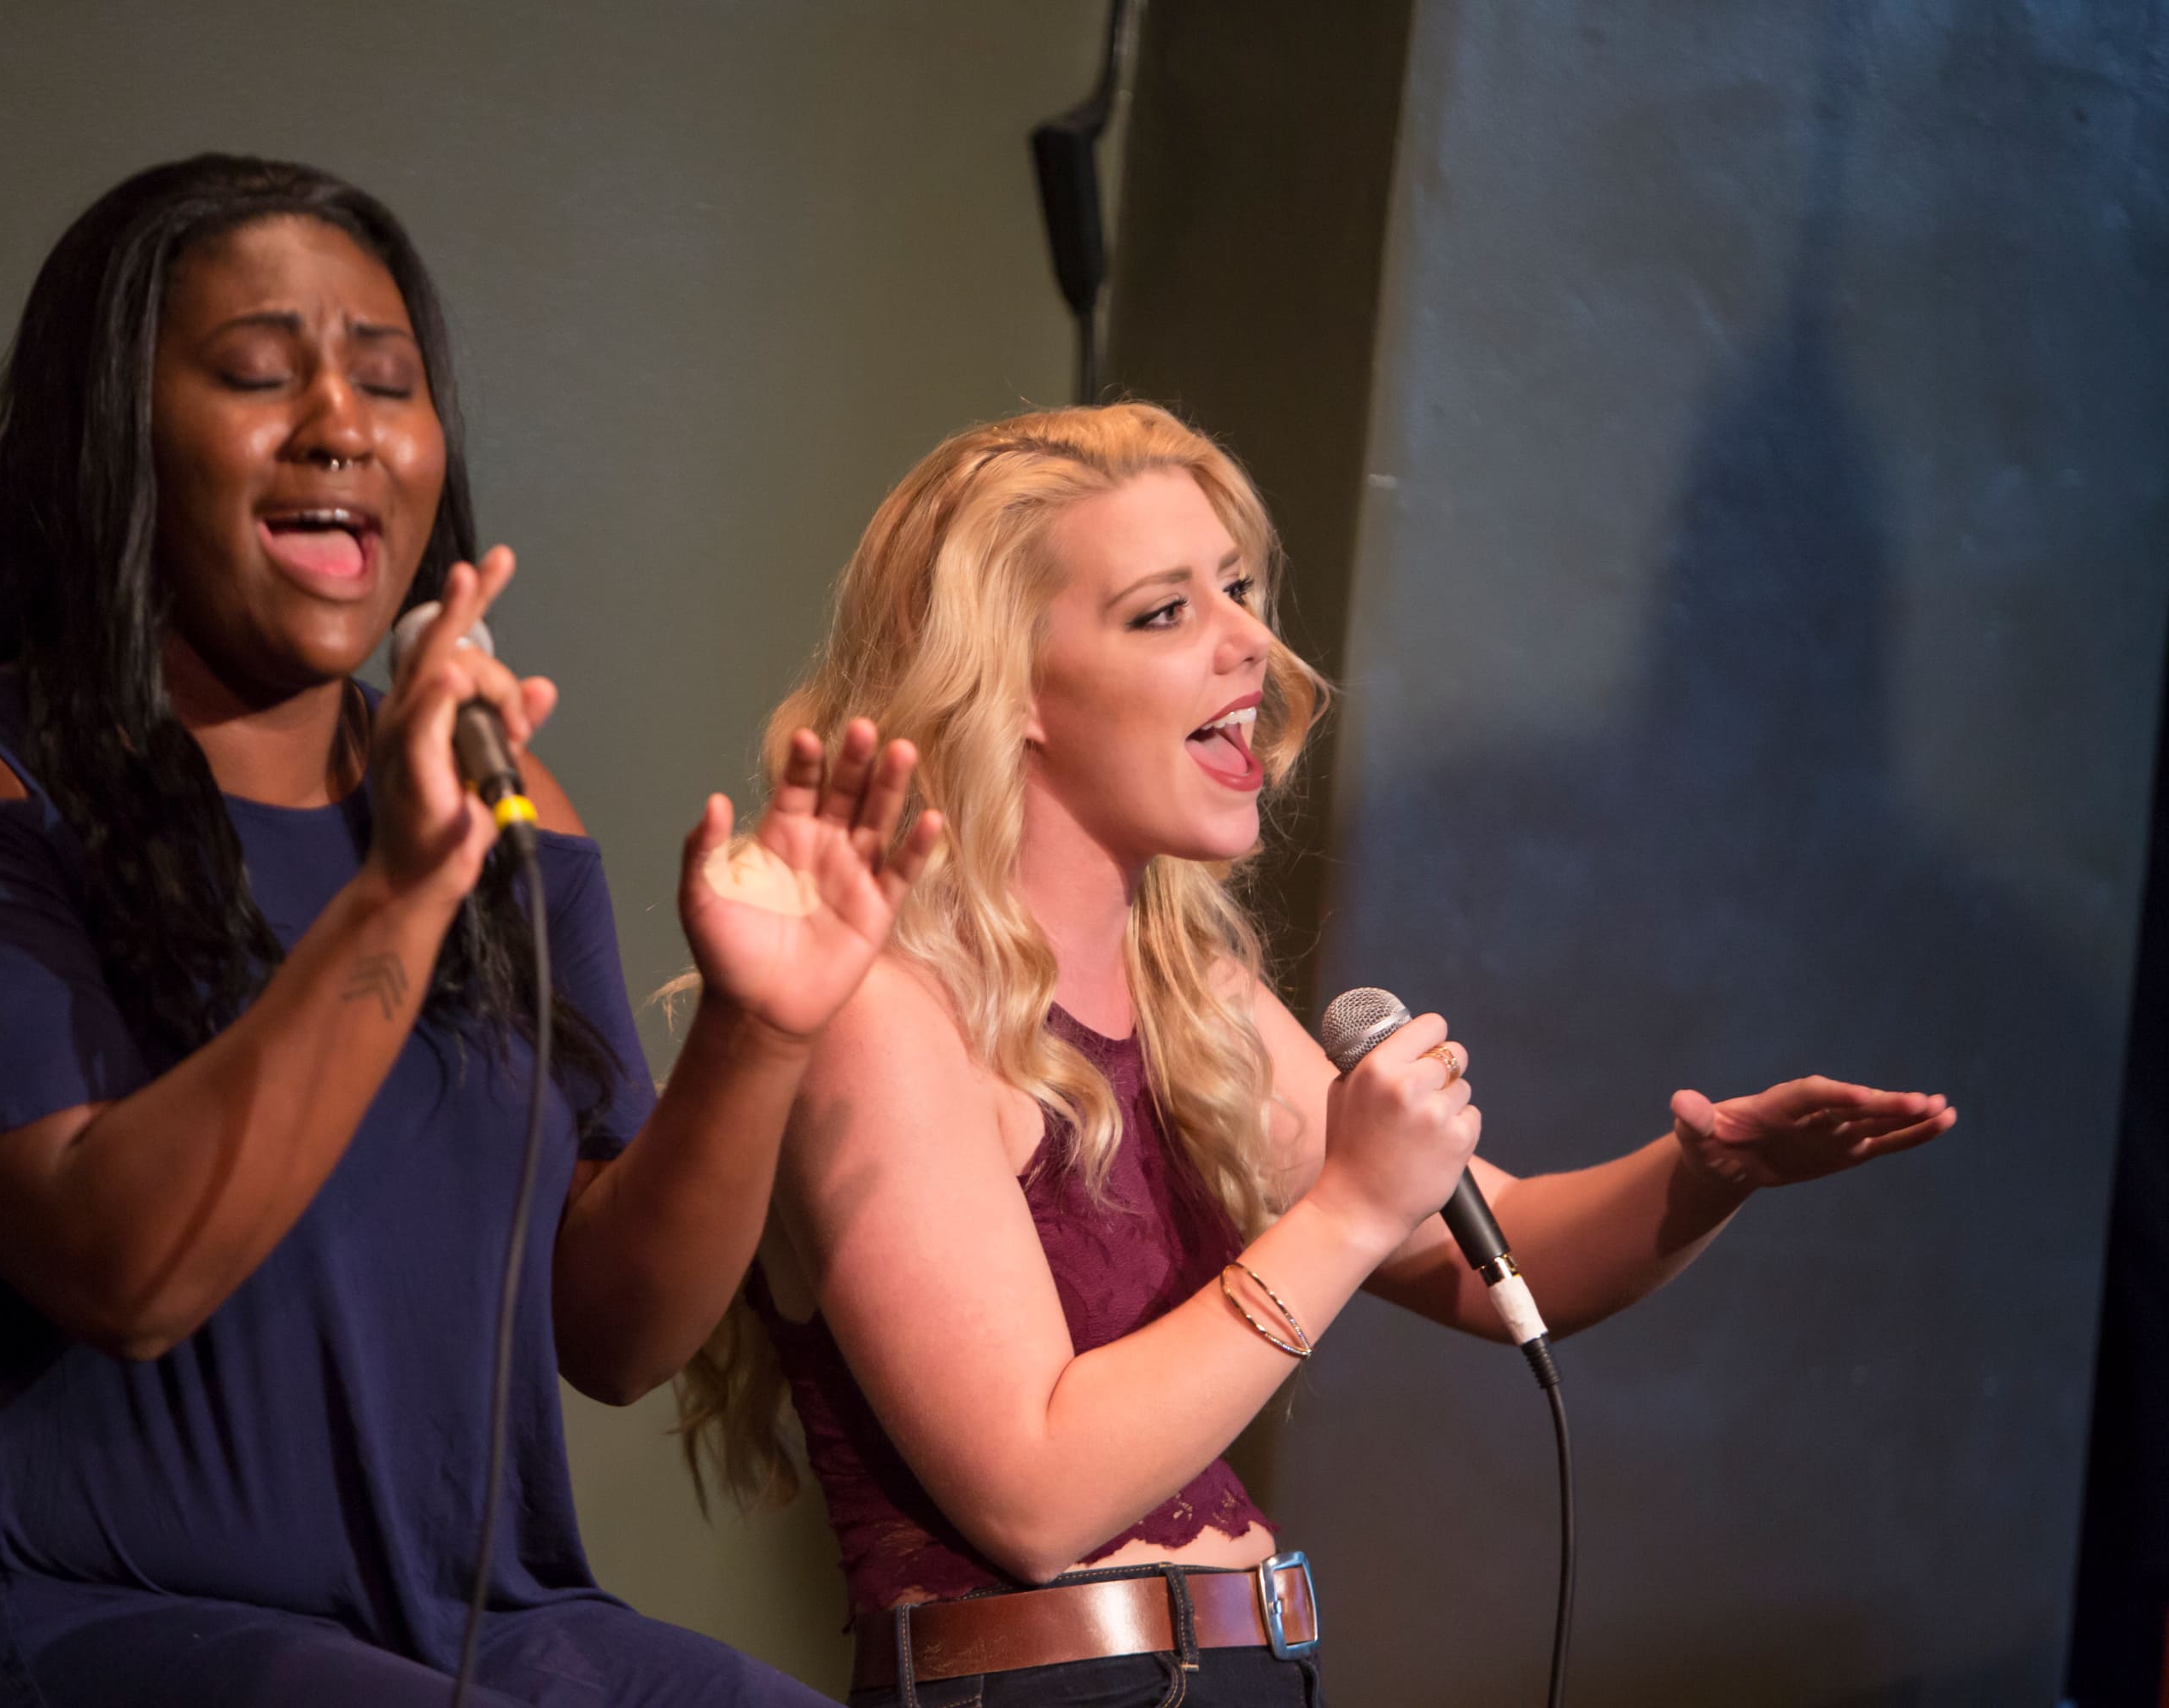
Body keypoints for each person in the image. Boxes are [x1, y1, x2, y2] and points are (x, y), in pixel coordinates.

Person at [0, 154, 940, 1708]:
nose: (342, 427)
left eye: (388, 383)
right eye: (255, 374)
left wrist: (755, 1034)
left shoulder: (511, 818)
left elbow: (617, 1333)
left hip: (464, 1625)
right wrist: (404, 894)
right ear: (112, 440)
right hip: (36, 1613)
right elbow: (131, 1270)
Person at [675, 402, 1959, 1706]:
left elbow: (1504, 1255)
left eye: (1236, 588)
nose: (1251, 645)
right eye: (1164, 611)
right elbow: (1033, 1493)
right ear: (1007, 685)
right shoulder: (883, 1009)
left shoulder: (1196, 997)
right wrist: (1347, 1205)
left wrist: (1709, 1176)